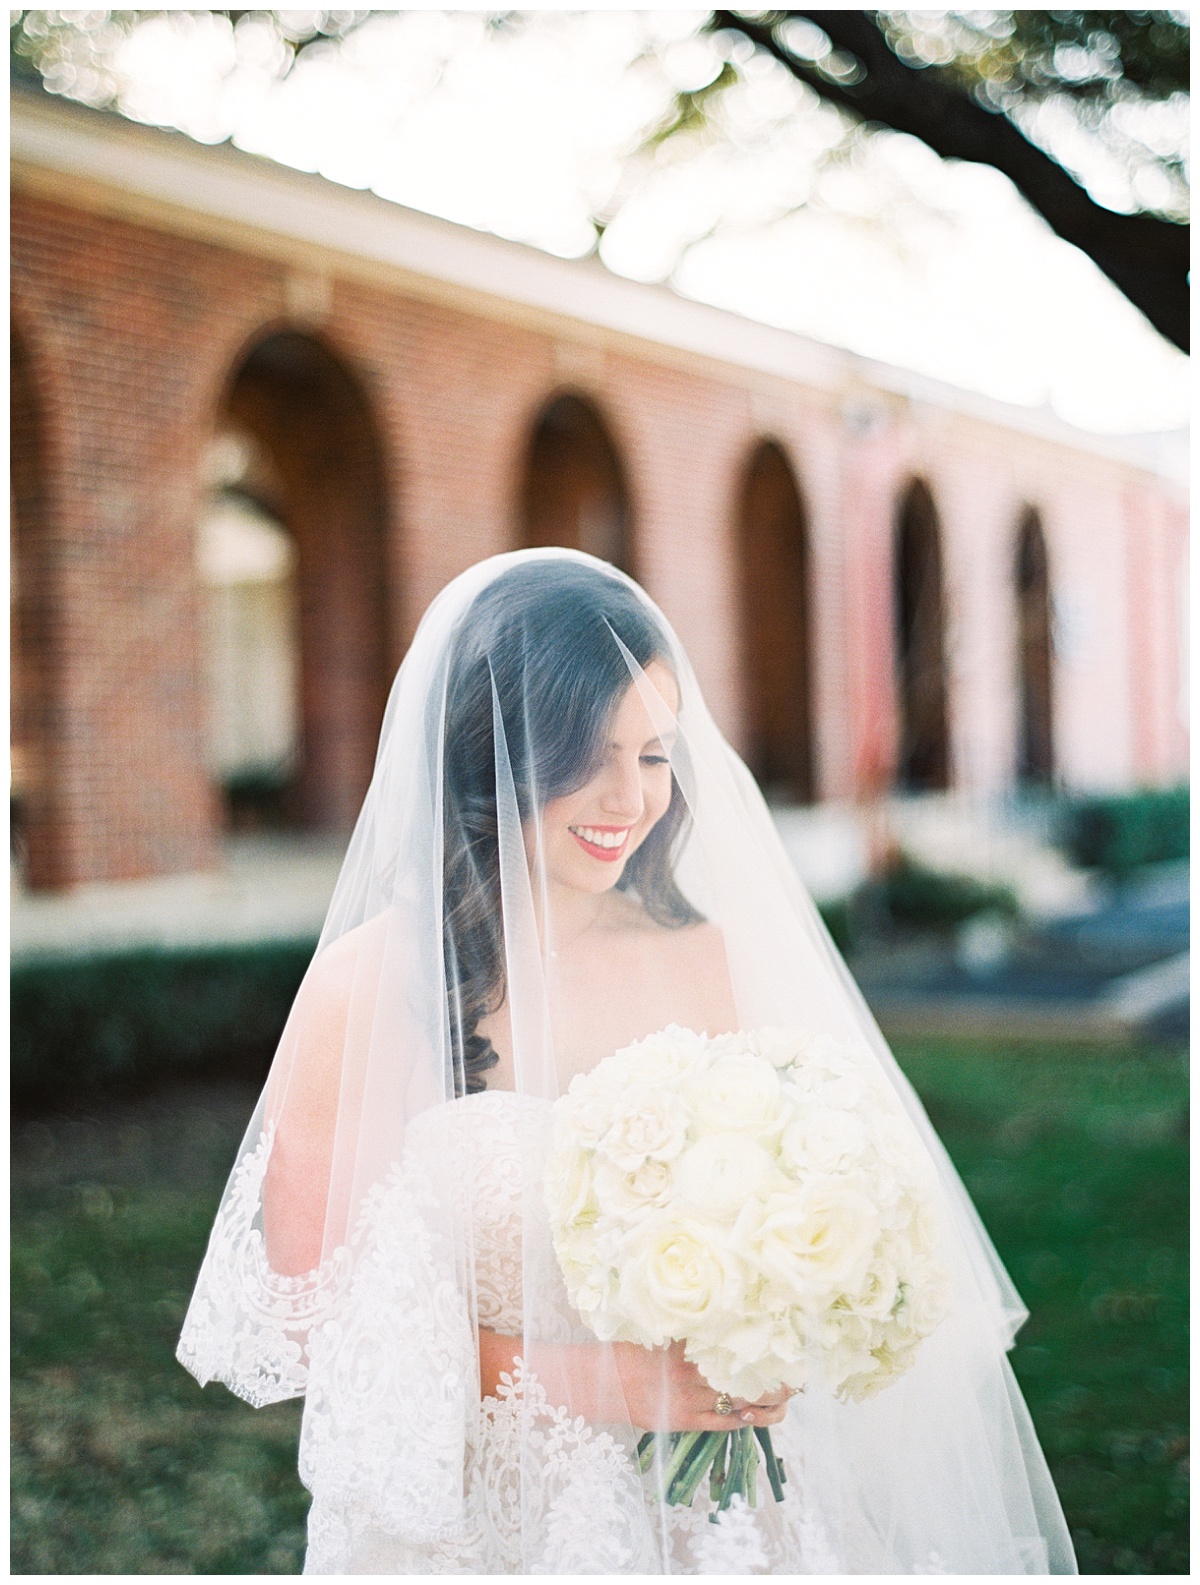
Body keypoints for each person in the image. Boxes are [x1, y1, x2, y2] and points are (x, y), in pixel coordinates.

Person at [179, 548, 1077, 1574]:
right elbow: (314, 1334)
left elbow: (761, 1218)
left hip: (720, 1515)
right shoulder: (364, 989)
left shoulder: (701, 955)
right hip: (482, 1524)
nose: (629, 797)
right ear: (492, 754)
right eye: (590, 754)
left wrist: (776, 1321)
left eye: (654, 754)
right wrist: (595, 1383)